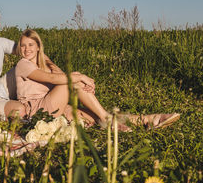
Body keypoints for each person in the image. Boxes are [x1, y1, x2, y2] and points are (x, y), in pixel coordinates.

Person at [15, 29, 180, 130]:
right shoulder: (22, 65)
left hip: (56, 105)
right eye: (23, 45)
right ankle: (107, 120)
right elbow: (53, 78)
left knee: (96, 116)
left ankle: (147, 119)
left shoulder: (41, 61)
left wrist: (46, 59)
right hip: (37, 111)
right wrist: (81, 77)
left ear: (38, 47)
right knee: (72, 81)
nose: (26, 49)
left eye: (31, 45)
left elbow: (59, 74)